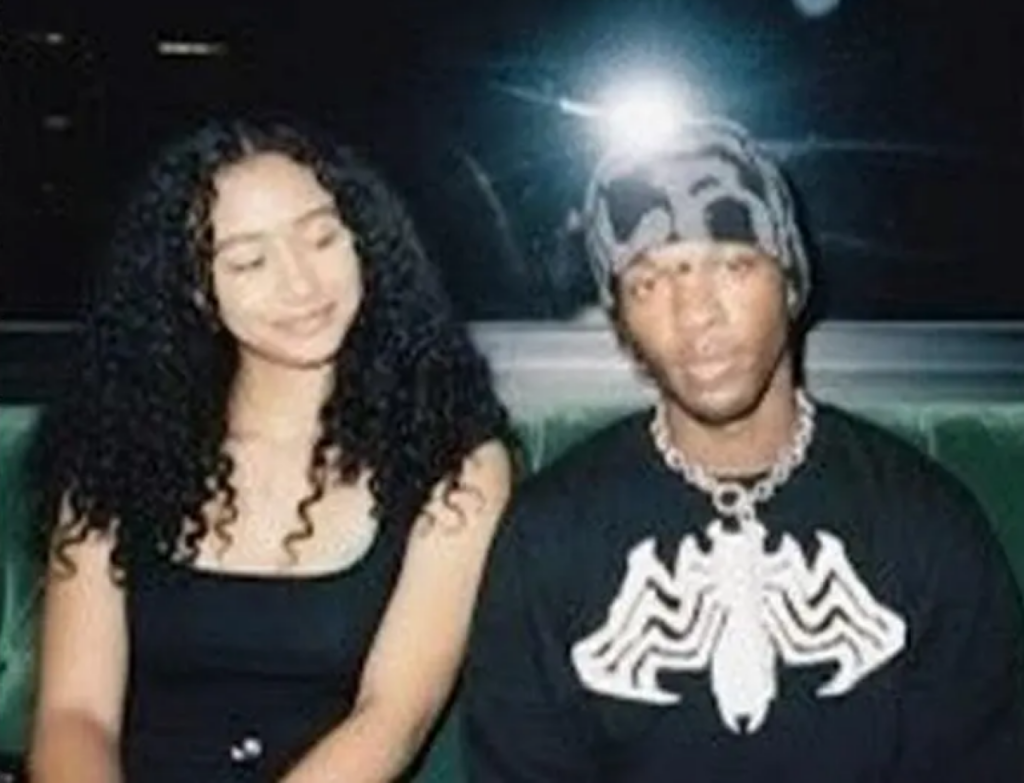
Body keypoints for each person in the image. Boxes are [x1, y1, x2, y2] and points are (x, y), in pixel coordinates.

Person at [461, 120, 1024, 781]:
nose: (696, 312)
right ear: (622, 326)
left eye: (732, 264)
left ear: (791, 283)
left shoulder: (923, 519)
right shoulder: (547, 537)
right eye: (648, 282)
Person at [28, 116, 513, 783]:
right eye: (250, 261)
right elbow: (74, 716)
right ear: (196, 288)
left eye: (321, 238)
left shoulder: (455, 463)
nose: (301, 284)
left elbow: (392, 717)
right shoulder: (115, 445)